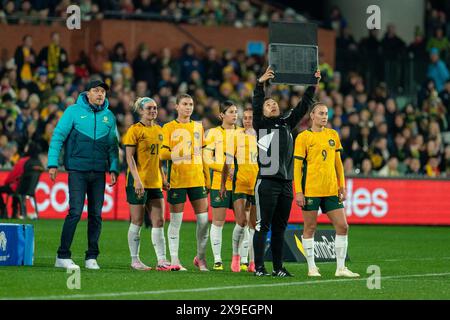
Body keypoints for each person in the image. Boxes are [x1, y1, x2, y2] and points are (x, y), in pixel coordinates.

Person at [252, 66, 320, 277]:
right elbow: (256, 104)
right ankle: (259, 267)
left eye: (273, 103)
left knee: (280, 227)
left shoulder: (286, 123)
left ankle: (278, 267)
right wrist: (259, 84)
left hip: (286, 183)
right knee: (263, 225)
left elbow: (303, 106)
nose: (272, 105)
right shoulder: (261, 124)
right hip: (266, 181)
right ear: (262, 112)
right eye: (268, 104)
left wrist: (313, 84)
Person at [48, 80, 119, 270]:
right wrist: (52, 164)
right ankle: (62, 256)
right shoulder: (72, 111)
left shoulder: (109, 117)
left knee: (96, 215)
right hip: (77, 170)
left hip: (98, 172)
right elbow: (57, 137)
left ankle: (91, 257)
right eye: (96, 90)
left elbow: (113, 146)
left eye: (103, 91)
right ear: (87, 93)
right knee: (75, 212)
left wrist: (113, 168)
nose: (100, 94)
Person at [294, 102, 359, 278]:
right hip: (311, 190)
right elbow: (297, 167)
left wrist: (342, 186)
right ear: (312, 116)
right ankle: (311, 267)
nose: (324, 116)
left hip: (331, 189)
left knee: (343, 226)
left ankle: (340, 268)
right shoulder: (303, 137)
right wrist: (298, 191)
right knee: (310, 227)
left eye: (326, 113)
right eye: (321, 113)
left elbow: (338, 164)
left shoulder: (333, 135)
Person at [123, 97, 179, 271]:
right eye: (149, 108)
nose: (153, 111)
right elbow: (129, 157)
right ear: (140, 110)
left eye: (155, 108)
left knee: (159, 220)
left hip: (154, 181)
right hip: (137, 181)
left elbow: (159, 160)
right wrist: (137, 180)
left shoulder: (159, 130)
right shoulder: (134, 130)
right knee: (137, 220)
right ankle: (135, 260)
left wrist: (163, 178)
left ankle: (162, 260)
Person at [160, 93, 210, 271]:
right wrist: (182, 153)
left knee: (204, 221)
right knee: (176, 222)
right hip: (178, 180)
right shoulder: (168, 127)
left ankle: (201, 258)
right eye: (185, 104)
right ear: (176, 107)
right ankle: (174, 260)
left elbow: (204, 155)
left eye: (191, 104)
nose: (188, 107)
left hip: (197, 179)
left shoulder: (198, 127)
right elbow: (162, 154)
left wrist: (208, 178)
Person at [220, 107, 259, 273]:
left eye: (251, 118)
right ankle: (236, 256)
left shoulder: (262, 137)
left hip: (256, 185)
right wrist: (222, 185)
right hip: (240, 184)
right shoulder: (235, 136)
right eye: (246, 118)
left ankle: (252, 260)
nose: (247, 120)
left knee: (254, 225)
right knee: (242, 221)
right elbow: (227, 162)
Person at [203, 101, 238, 271]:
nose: (235, 114)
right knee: (218, 221)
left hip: (240, 184)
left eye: (236, 111)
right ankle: (217, 259)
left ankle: (241, 260)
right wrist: (224, 169)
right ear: (221, 115)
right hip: (219, 183)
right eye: (231, 111)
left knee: (243, 222)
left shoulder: (244, 133)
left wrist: (237, 169)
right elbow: (207, 158)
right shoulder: (213, 134)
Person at [0, 143, 45, 219]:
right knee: (18, 188)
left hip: (18, 188)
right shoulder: (39, 163)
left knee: (14, 187)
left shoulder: (23, 161)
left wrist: (7, 183)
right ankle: (15, 212)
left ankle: (3, 210)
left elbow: (12, 175)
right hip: (30, 189)